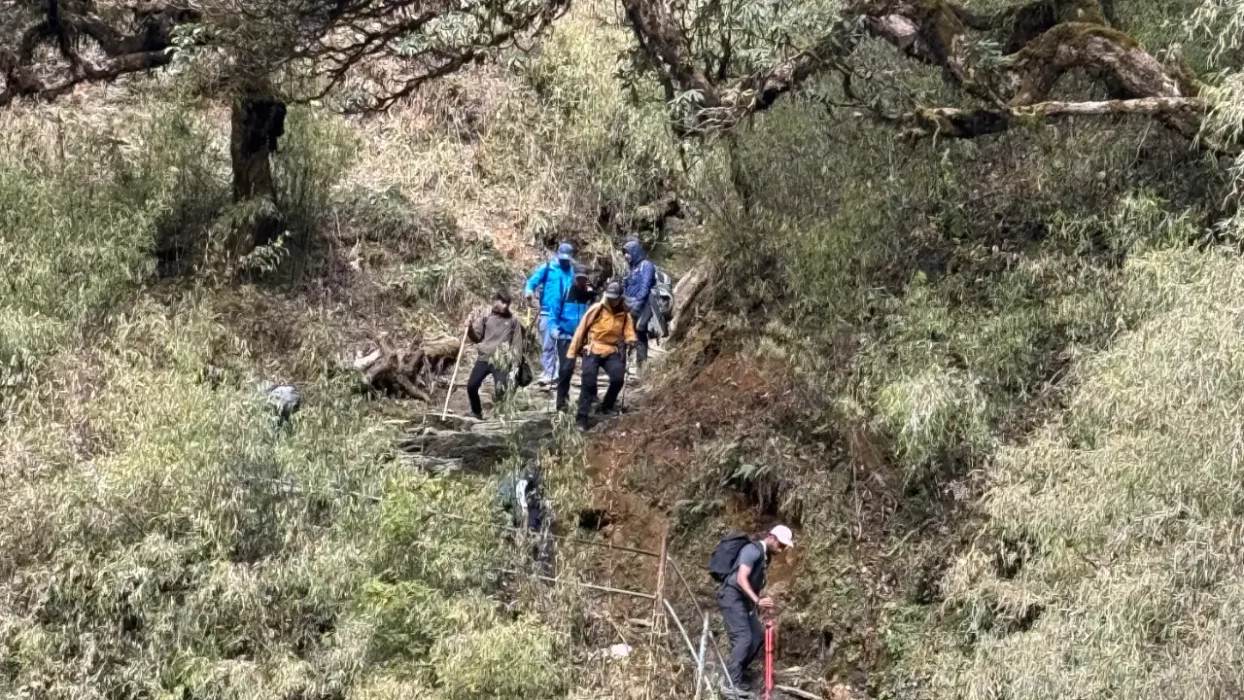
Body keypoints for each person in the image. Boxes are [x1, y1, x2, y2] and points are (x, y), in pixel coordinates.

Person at [718, 525, 795, 697]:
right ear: (772, 538)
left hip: (743, 602)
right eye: (781, 545)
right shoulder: (752, 550)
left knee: (757, 637)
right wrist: (757, 600)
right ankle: (729, 683)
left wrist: (759, 600)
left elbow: (753, 583)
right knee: (744, 637)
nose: (781, 549)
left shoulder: (764, 556)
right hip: (732, 597)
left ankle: (735, 676)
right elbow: (740, 578)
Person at [566, 281, 637, 431]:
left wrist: (631, 340)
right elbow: (581, 329)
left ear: (620, 298)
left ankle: (607, 405)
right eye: (609, 297)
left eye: (614, 298)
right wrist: (572, 351)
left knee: (618, 378)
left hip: (610, 349)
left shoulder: (624, 313)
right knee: (589, 381)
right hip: (593, 347)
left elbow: (628, 330)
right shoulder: (597, 308)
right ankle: (582, 417)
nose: (611, 300)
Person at [465, 289, 524, 420]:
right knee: (471, 386)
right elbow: (476, 337)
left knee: (501, 390)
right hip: (484, 358)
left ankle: (500, 416)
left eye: (507, 303)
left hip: (501, 361)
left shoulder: (513, 321)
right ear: (496, 301)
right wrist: (469, 329)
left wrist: (515, 364)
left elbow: (517, 345)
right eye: (502, 302)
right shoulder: (486, 318)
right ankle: (476, 412)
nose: (505, 306)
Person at [524, 241, 577, 386]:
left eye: (567, 259)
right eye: (563, 259)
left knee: (563, 344)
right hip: (548, 311)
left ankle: (559, 373)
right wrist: (529, 292)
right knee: (548, 344)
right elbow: (532, 282)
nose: (565, 262)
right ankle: (549, 372)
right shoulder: (547, 268)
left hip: (566, 313)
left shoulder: (573, 271)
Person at [551, 268, 596, 412]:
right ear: (574, 278)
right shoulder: (565, 291)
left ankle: (591, 398)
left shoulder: (590, 294)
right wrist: (553, 328)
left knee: (590, 368)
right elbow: (554, 311)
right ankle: (562, 403)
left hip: (584, 337)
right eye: (579, 278)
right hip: (566, 336)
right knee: (566, 369)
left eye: (584, 278)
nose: (581, 281)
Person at [621, 239, 656, 371]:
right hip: (628, 305)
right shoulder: (630, 268)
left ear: (635, 252)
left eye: (627, 253)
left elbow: (645, 287)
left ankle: (641, 368)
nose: (625, 256)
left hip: (642, 306)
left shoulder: (646, 266)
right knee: (623, 336)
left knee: (640, 335)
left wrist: (637, 305)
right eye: (624, 253)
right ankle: (621, 367)